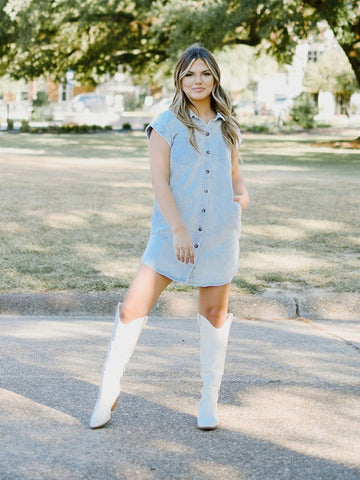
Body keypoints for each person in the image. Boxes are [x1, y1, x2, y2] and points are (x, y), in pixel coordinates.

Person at [90, 44, 249, 431]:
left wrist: (242, 199)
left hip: (218, 235)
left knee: (214, 315)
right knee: (132, 308)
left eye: (205, 73)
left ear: (215, 78)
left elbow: (234, 174)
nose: (198, 81)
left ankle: (209, 398)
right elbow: (158, 181)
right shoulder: (166, 123)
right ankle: (108, 390)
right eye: (190, 74)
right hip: (172, 233)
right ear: (180, 79)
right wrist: (178, 229)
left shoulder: (227, 124)